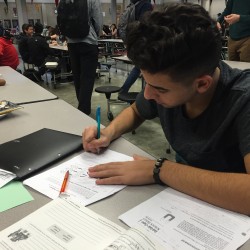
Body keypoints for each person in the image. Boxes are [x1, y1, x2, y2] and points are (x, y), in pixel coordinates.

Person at [83, 3, 250, 215]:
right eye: (146, 82)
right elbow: (136, 111)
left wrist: (160, 169)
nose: (148, 95)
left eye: (159, 89)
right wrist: (108, 132)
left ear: (202, 84)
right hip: (183, 202)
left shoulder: (243, 99)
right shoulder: (167, 78)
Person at [67, 0, 102, 115]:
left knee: (77, 76)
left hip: (71, 41)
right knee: (87, 78)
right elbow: (98, 20)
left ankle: (83, 107)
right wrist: (95, 35)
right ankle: (83, 111)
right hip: (88, 41)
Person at [119, 0, 153, 94]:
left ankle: (124, 90)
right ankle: (146, 95)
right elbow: (146, 24)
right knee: (144, 68)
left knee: (139, 67)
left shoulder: (133, 5)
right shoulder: (146, 5)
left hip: (133, 40)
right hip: (143, 41)